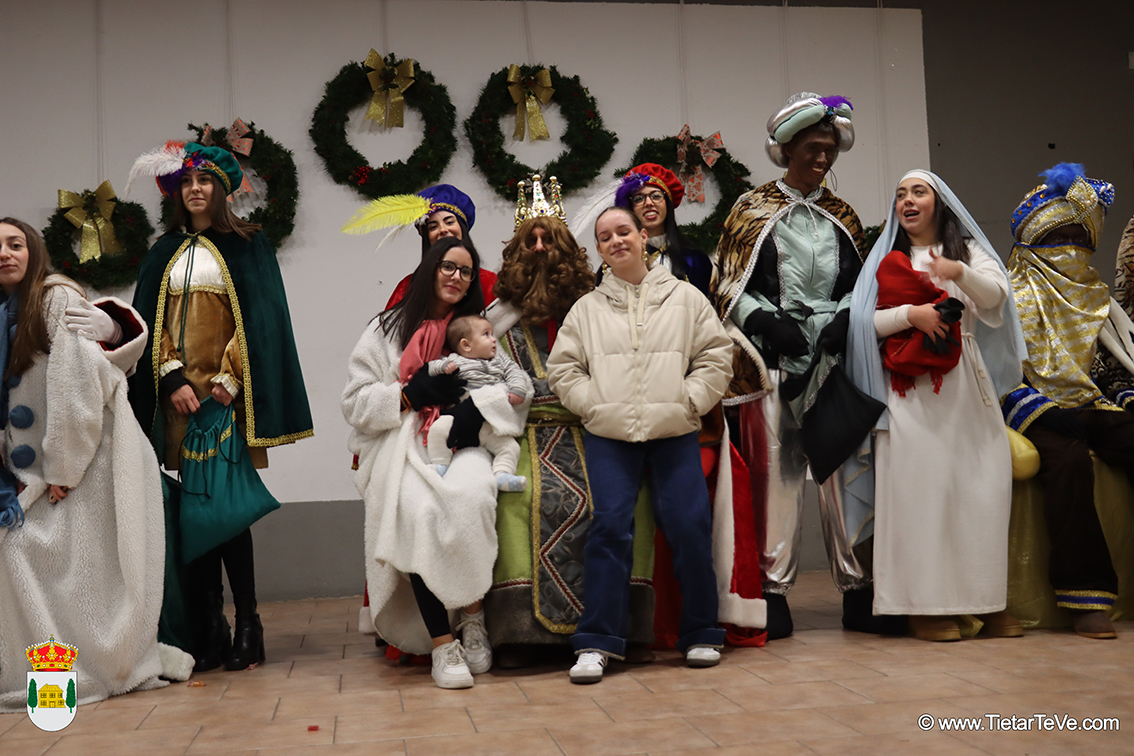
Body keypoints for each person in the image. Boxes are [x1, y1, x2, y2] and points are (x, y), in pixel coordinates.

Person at [127, 141, 314, 672]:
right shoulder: (162, 251)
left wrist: (231, 379)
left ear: (223, 188)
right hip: (179, 403)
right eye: (187, 182)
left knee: (226, 512)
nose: (195, 189)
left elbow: (260, 319)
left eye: (204, 180)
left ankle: (249, 622)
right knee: (196, 510)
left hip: (226, 400)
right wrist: (170, 378)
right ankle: (211, 625)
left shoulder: (249, 245)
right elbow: (149, 323)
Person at [711, 92, 887, 639]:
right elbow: (726, 281)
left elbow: (862, 284)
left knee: (845, 472)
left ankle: (859, 590)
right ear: (786, 149)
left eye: (830, 149)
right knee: (777, 475)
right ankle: (773, 591)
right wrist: (764, 320)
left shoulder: (843, 214)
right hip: (773, 361)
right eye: (813, 148)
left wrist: (844, 316)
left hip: (834, 358)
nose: (823, 158)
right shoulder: (749, 209)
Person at [547, 206, 733, 682]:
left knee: (690, 527)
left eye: (623, 231)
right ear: (599, 249)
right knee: (609, 530)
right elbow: (563, 369)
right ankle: (596, 642)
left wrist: (689, 400)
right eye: (605, 236)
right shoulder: (586, 309)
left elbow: (716, 355)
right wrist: (593, 405)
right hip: (610, 436)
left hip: (675, 432)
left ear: (643, 236)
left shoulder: (686, 298)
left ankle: (702, 632)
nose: (616, 241)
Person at [844, 171, 1027, 641]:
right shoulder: (888, 259)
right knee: (920, 497)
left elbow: (997, 297)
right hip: (912, 390)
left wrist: (958, 271)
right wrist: (912, 315)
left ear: (939, 203)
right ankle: (922, 606)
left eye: (918, 192)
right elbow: (861, 323)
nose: (907, 201)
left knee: (980, 491)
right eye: (900, 195)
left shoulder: (968, 251)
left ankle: (985, 601)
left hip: (966, 386)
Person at [0, 218, 168, 708]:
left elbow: (76, 384)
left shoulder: (54, 298)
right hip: (42, 467)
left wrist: (63, 468)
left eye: (15, 244)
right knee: (33, 560)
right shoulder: (4, 311)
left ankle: (89, 667)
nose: (5, 254)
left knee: (54, 561)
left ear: (33, 250)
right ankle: (54, 666)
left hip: (91, 457)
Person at [344, 237, 525, 688]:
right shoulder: (387, 328)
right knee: (418, 511)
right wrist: (407, 395)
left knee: (473, 498)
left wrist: (477, 409)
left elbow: (511, 387)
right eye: (448, 266)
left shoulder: (478, 328)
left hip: (464, 442)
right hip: (403, 444)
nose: (456, 277)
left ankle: (473, 621)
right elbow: (354, 402)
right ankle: (443, 645)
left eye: (465, 271)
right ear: (430, 268)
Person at [1000, 163, 1131, 639]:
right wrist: (1042, 412)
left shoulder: (1097, 297)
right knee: (1070, 464)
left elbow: (1112, 366)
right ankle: (1085, 598)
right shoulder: (1007, 298)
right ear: (1033, 242)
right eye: (1058, 240)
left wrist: (1126, 398)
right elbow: (994, 374)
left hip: (1092, 404)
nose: (1070, 250)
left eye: (1079, 240)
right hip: (1034, 410)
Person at [342, 184, 497, 310]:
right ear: (427, 237)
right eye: (433, 226)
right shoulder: (409, 287)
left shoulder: (490, 283)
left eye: (449, 222)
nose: (443, 230)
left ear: (462, 228)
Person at [426, 313, 533, 491]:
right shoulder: (455, 360)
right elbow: (430, 368)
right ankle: (440, 464)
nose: (493, 339)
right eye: (486, 334)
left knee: (510, 447)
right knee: (438, 429)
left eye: (492, 334)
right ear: (466, 345)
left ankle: (503, 475)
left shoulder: (500, 361)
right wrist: (443, 367)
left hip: (490, 423)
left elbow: (515, 373)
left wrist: (517, 390)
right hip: (459, 421)